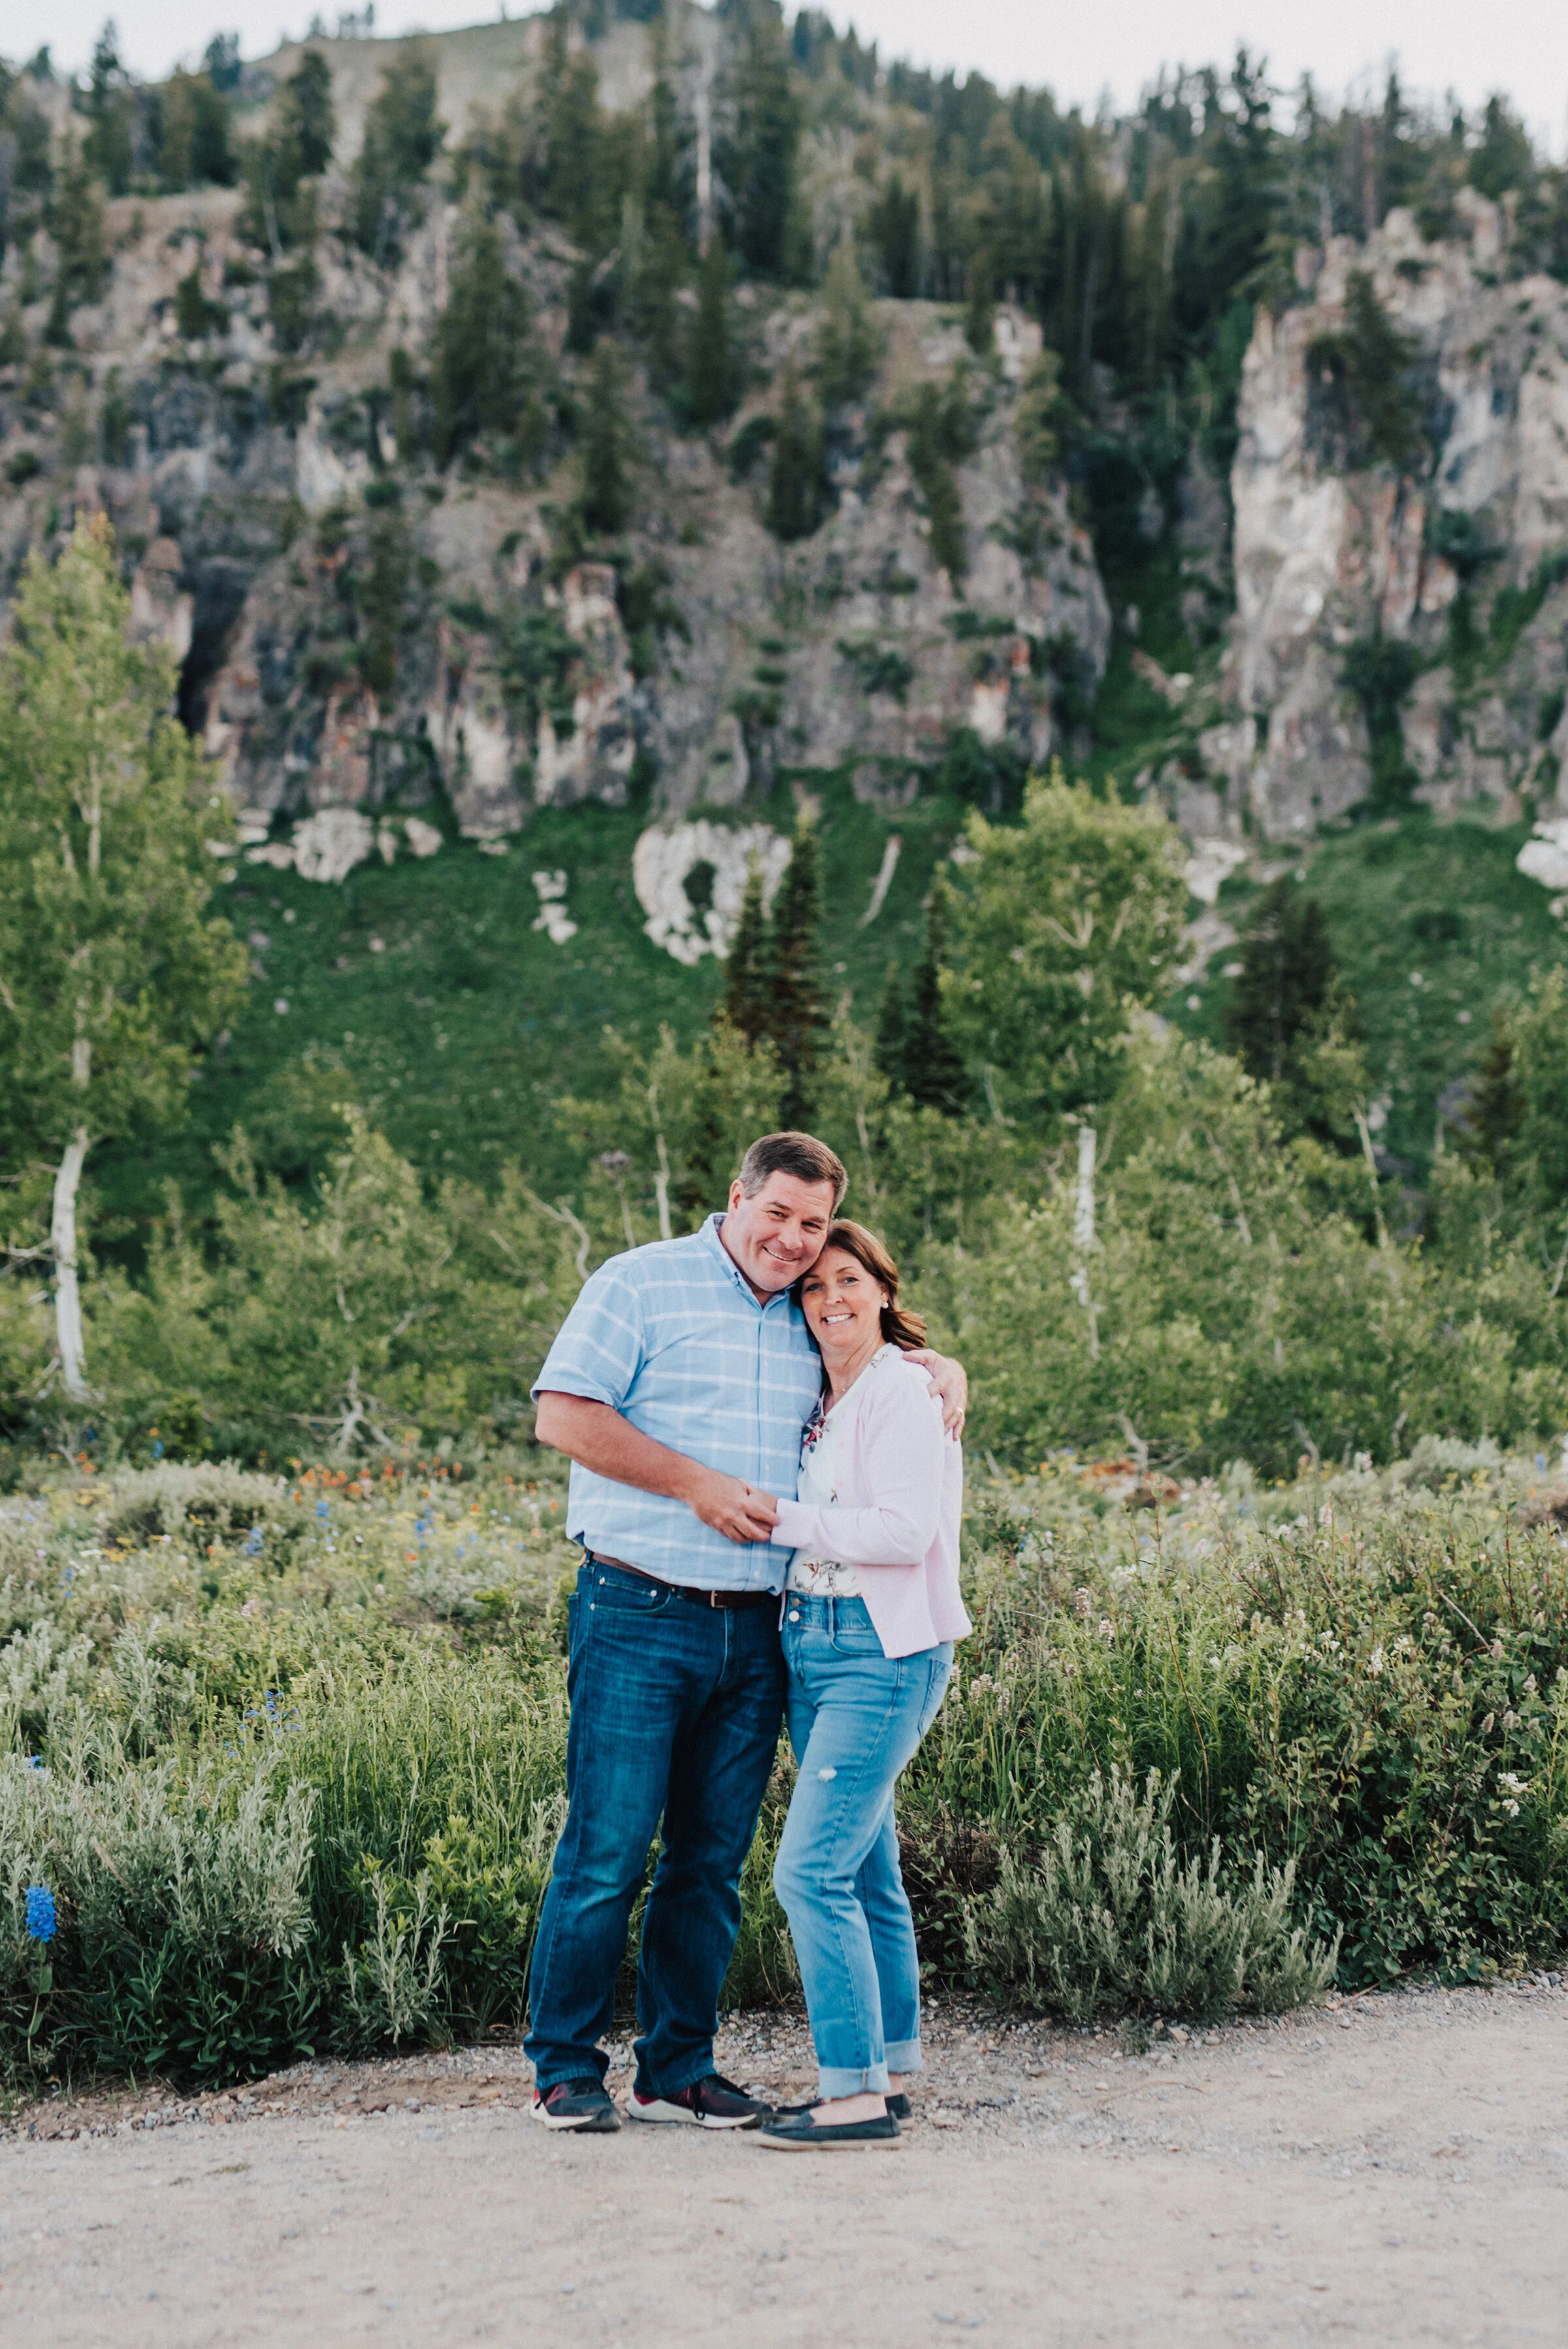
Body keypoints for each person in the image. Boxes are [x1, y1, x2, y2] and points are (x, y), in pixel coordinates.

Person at [525, 1131, 968, 2133]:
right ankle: (564, 2066)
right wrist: (694, 1484)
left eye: (812, 1226)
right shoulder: (641, 1283)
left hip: (764, 1630)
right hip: (637, 1607)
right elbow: (561, 1414)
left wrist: (940, 1364)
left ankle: (677, 2065)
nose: (794, 1240)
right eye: (779, 1214)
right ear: (738, 1196)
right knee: (606, 1849)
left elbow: (877, 1362)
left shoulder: (810, 1312)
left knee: (710, 1860)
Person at [755, 1219, 970, 2150]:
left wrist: (781, 1521)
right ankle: (890, 2061)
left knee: (808, 1870)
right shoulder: (827, 1394)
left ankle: (852, 2098)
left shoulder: (901, 1394)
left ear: (883, 1289)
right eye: (813, 1287)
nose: (829, 1298)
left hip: (881, 1651)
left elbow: (905, 1530)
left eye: (848, 1279)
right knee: (865, 1859)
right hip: (813, 1641)